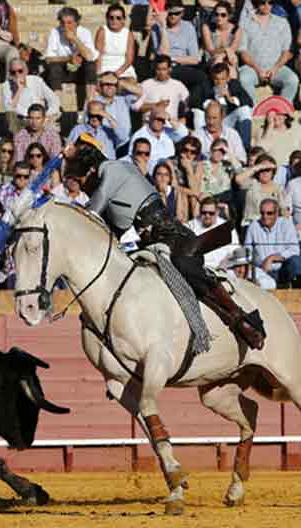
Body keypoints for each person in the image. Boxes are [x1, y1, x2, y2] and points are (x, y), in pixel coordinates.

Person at [66, 133, 266, 349]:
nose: (83, 182)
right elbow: (111, 228)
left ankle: (240, 317)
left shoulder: (111, 168)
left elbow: (92, 213)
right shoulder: (116, 176)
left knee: (184, 265)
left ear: (90, 166)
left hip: (172, 236)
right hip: (151, 242)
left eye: (82, 175)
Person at [239, 0, 298, 105]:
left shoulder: (282, 22)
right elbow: (243, 51)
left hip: (276, 67)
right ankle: (255, 107)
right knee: (244, 79)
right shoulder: (246, 22)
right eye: (262, 2)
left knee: (292, 80)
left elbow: (286, 50)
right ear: (256, 3)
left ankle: (282, 109)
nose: (267, 5)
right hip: (253, 67)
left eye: (270, 2)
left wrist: (276, 68)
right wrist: (257, 69)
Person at [189, 62, 253, 151]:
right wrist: (210, 103)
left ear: (228, 78)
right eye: (216, 79)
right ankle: (200, 146)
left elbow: (249, 101)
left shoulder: (234, 85)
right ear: (212, 78)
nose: (219, 82)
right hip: (209, 121)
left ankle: (246, 147)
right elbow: (193, 102)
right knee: (198, 112)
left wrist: (230, 98)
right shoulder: (205, 85)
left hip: (227, 120)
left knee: (244, 110)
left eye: (222, 79)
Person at [44, 7, 98, 108]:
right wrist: (69, 58)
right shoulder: (55, 32)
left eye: (69, 23)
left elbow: (90, 57)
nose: (66, 26)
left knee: (90, 65)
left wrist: (74, 38)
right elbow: (48, 58)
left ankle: (90, 102)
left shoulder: (85, 32)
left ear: (77, 22)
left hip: (81, 72)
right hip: (64, 70)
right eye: (63, 23)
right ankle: (56, 105)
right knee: (54, 67)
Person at [150, 0, 207, 94]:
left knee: (202, 78)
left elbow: (195, 59)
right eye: (170, 13)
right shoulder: (157, 28)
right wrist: (163, 28)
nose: (173, 16)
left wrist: (172, 58)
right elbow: (162, 55)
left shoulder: (188, 27)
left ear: (182, 13)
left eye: (176, 13)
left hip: (183, 67)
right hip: (164, 68)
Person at [245, 198, 301, 288]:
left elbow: (294, 250)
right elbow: (247, 252)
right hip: (262, 271)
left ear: (277, 213)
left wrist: (272, 258)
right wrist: (259, 264)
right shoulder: (253, 227)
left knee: (296, 261)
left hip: (283, 270)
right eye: (262, 213)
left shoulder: (286, 224)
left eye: (269, 213)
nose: (265, 216)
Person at [2, 58, 60, 135]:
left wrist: (46, 115)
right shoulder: (6, 86)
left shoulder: (36, 80)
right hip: (23, 121)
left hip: (43, 118)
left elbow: (53, 99)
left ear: (26, 70)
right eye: (13, 72)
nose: (17, 75)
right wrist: (19, 89)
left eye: (20, 71)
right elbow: (9, 108)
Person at [93, 71, 142, 153]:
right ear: (100, 86)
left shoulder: (123, 99)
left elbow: (140, 92)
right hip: (104, 146)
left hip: (124, 145)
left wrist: (120, 82)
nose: (110, 87)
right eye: (106, 84)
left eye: (113, 84)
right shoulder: (94, 103)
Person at [129, 105, 188, 171]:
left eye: (162, 120)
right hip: (149, 173)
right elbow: (133, 158)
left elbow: (184, 133)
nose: (159, 122)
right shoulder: (139, 135)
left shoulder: (167, 131)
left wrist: (169, 119)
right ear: (150, 118)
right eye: (157, 118)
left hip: (170, 171)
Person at [186, 196, 240, 268]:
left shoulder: (227, 228)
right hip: (198, 269)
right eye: (204, 212)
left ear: (217, 212)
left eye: (211, 213)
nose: (207, 216)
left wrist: (226, 263)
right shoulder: (190, 226)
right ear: (199, 211)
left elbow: (235, 250)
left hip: (222, 269)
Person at [132, 54, 188, 123]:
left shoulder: (178, 85)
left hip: (171, 126)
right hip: (150, 125)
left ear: (170, 69)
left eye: (164, 69)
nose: (161, 73)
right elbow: (136, 107)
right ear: (154, 69)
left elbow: (186, 104)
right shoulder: (146, 84)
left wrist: (181, 117)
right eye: (158, 69)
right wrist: (156, 105)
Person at [239, 153, 290, 227]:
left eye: (268, 170)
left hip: (273, 228)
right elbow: (238, 180)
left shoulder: (279, 188)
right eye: (262, 170)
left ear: (273, 172)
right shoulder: (252, 184)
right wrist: (257, 167)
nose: (265, 173)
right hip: (252, 225)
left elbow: (285, 212)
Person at [94, 3, 137, 80]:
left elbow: (129, 59)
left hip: (123, 69)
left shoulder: (128, 33)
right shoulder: (102, 31)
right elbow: (98, 56)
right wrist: (99, 74)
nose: (114, 20)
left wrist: (117, 74)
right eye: (111, 17)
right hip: (105, 68)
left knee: (132, 84)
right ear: (107, 18)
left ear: (123, 20)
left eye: (118, 18)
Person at [200, 1, 241, 75]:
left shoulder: (236, 29)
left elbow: (233, 48)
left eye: (223, 15)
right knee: (219, 60)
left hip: (229, 59)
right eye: (216, 14)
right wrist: (225, 50)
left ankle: (233, 83)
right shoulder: (207, 27)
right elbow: (211, 50)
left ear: (229, 16)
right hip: (212, 60)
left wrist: (223, 55)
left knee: (232, 59)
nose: (219, 17)